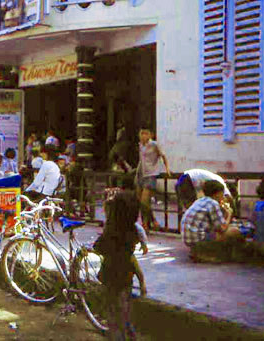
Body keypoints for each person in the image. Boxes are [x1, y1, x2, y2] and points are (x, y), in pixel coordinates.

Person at [94, 190, 140, 340]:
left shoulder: (111, 233)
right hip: (126, 278)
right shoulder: (133, 231)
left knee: (113, 315)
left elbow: (98, 247)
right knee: (125, 310)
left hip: (111, 278)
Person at [181, 180, 240, 249]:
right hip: (198, 240)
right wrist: (229, 213)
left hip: (188, 239)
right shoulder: (213, 203)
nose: (223, 196)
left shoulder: (200, 200)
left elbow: (216, 224)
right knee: (235, 231)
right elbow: (222, 229)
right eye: (222, 193)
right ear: (218, 194)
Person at [135, 126, 171, 230]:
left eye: (146, 133)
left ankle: (145, 224)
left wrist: (167, 168)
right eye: (141, 133)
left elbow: (163, 156)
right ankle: (153, 220)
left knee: (144, 201)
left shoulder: (154, 145)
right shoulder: (140, 145)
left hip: (151, 174)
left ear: (150, 135)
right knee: (141, 201)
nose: (143, 136)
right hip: (141, 174)